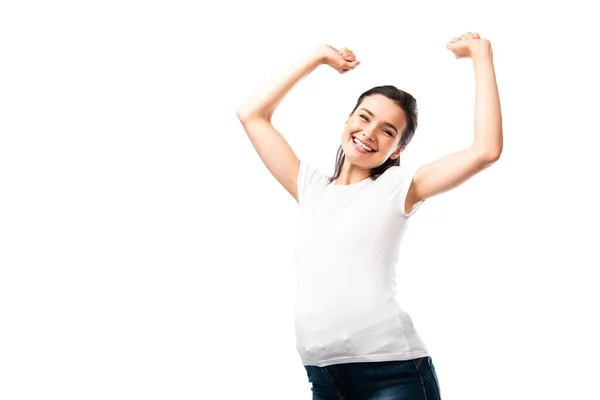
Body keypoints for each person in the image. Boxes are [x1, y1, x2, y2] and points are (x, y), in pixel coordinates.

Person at [236, 32, 502, 400]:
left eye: (387, 131)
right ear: (348, 119)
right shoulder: (311, 188)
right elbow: (251, 114)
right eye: (364, 117)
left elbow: (486, 151)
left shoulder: (401, 186)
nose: (369, 133)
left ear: (398, 150)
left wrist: (481, 55)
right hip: (324, 378)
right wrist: (316, 57)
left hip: (393, 376)